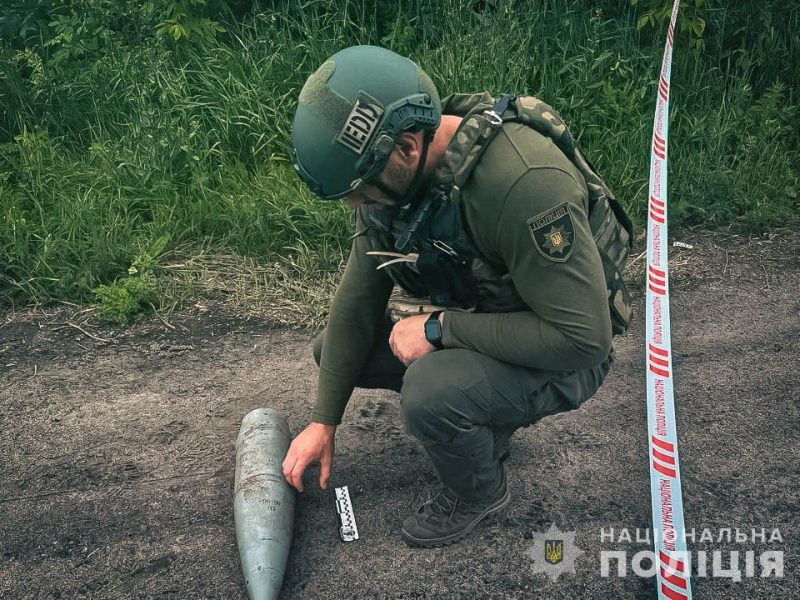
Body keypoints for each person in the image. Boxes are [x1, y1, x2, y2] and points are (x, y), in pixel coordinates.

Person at [282, 45, 632, 547]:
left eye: (359, 191)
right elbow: (356, 303)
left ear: (406, 148)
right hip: (493, 316)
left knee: (431, 390)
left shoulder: (524, 184)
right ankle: (482, 417)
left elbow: (584, 340)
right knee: (336, 352)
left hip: (565, 350)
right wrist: (324, 421)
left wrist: (439, 329)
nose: (356, 206)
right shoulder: (399, 173)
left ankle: (478, 491)